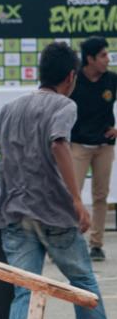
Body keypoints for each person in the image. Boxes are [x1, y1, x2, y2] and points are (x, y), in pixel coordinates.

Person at [0, 42, 116, 319]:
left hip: (12, 215)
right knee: (83, 285)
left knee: (26, 289)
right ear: (71, 77)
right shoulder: (64, 106)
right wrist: (76, 200)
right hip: (54, 214)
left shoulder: (12, 107)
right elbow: (58, 144)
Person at [70, 36, 117, 262]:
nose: (108, 59)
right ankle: (66, 239)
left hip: (104, 146)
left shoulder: (112, 80)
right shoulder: (74, 80)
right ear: (89, 59)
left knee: (101, 196)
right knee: (71, 194)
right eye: (103, 55)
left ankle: (96, 244)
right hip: (78, 144)